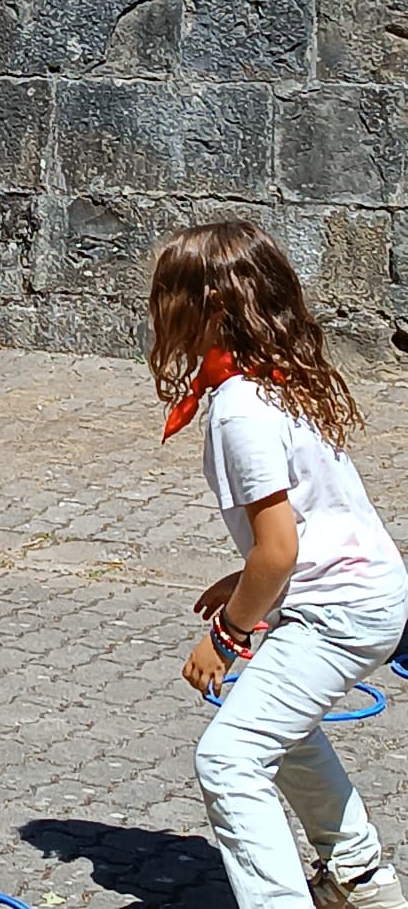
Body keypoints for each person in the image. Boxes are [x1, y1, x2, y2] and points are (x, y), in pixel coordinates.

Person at [150, 220, 408, 909]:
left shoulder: (241, 409)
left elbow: (280, 550)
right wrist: (246, 581)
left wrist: (227, 637)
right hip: (367, 590)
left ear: (209, 307)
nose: (156, 310)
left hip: (339, 610)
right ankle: (359, 876)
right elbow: (307, 520)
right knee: (277, 728)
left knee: (228, 760)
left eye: (166, 294)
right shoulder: (278, 379)